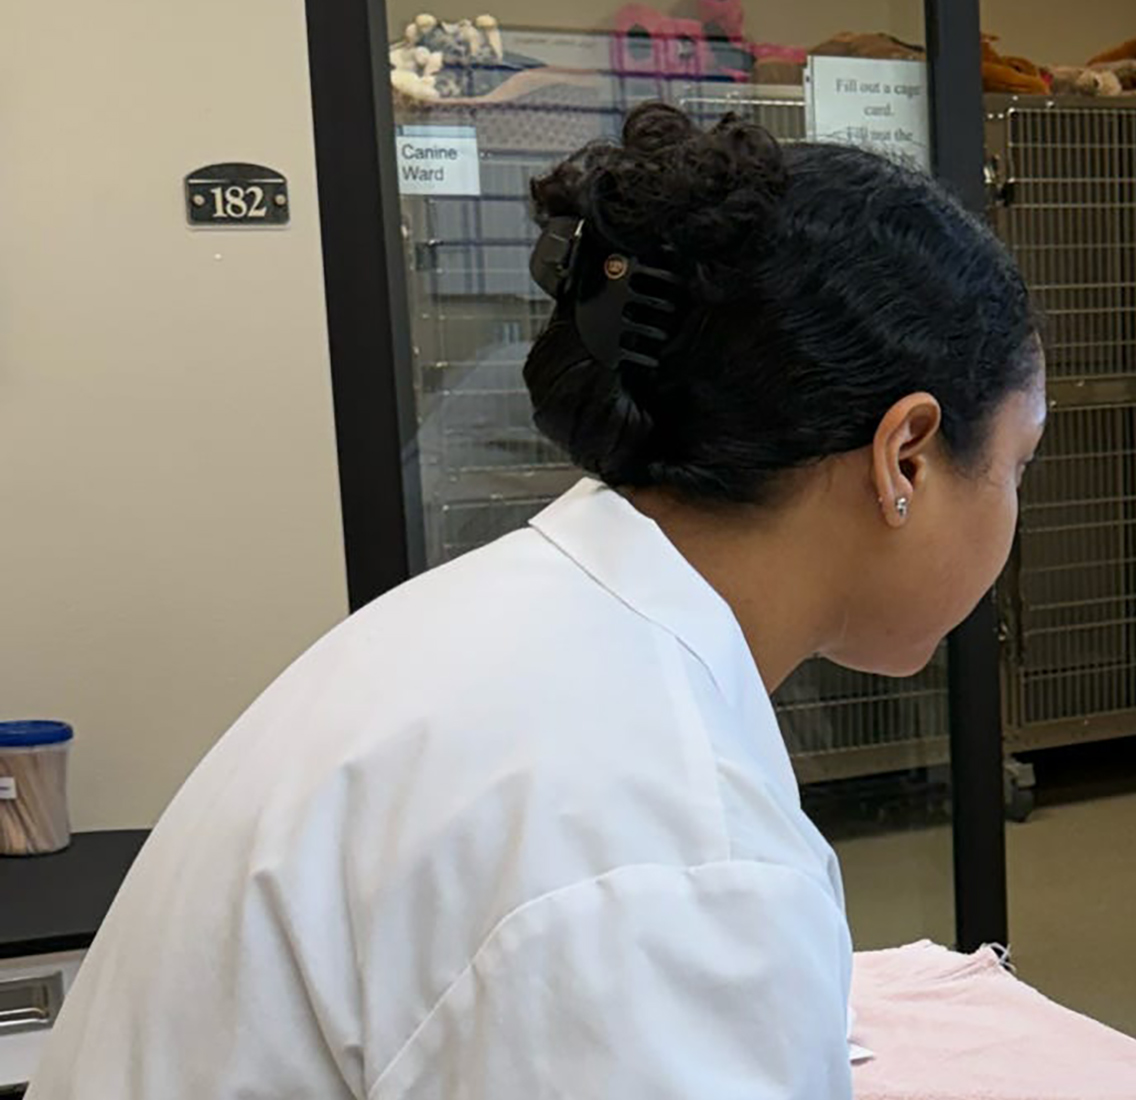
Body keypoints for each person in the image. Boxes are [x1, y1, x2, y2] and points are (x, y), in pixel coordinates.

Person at [30, 104, 1044, 1099]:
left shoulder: (505, 621)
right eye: (1017, 461)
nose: (1013, 506)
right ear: (904, 452)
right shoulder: (668, 840)